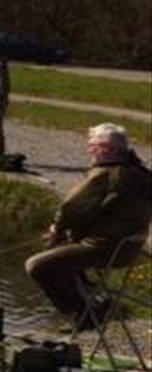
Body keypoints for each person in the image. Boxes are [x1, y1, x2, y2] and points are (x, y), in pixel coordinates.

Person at [23, 123, 152, 328]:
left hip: (104, 248)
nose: (89, 151)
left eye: (92, 146)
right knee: (60, 249)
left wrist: (56, 228)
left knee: (36, 266)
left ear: (106, 149)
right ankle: (92, 295)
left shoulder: (105, 174)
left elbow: (71, 207)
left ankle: (85, 314)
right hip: (129, 248)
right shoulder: (138, 171)